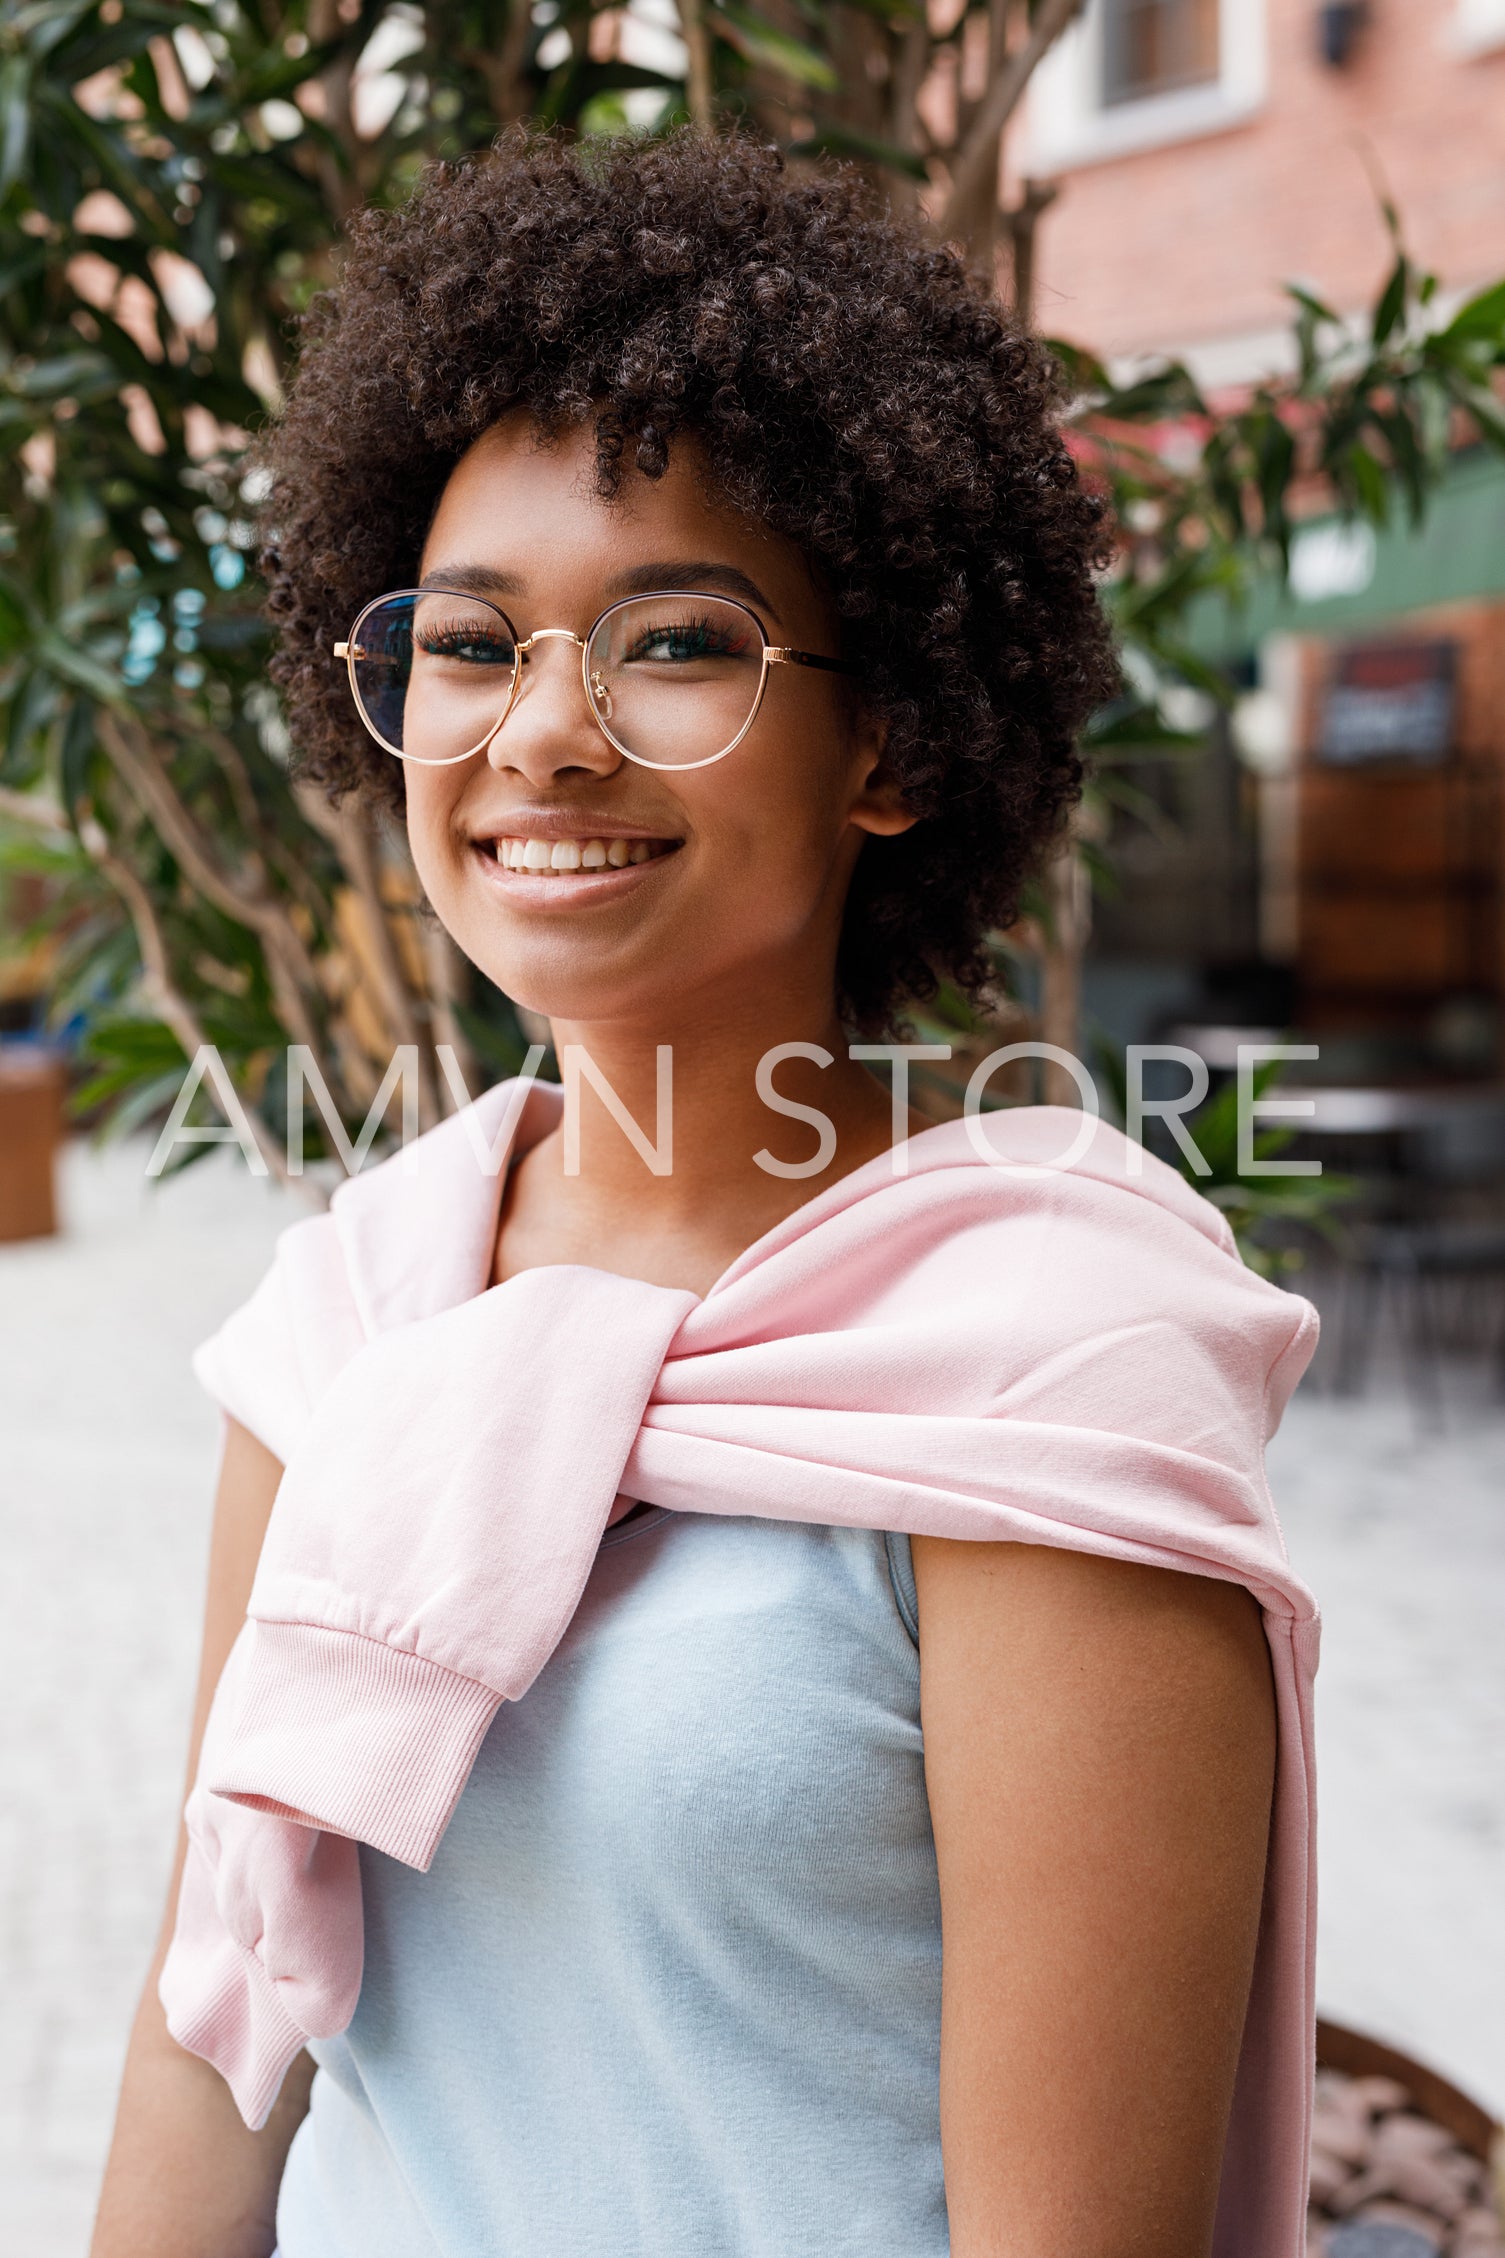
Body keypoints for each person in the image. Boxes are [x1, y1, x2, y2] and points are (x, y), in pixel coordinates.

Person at [91, 131, 1315, 2258]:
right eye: (469, 644)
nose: (542, 737)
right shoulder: (345, 1324)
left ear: (893, 749)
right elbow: (220, 2045)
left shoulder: (1041, 1367)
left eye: (676, 643)